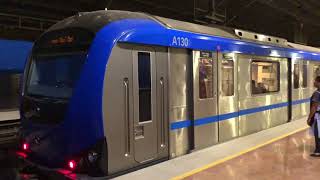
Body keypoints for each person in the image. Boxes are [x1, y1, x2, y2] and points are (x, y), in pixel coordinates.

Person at [307, 76, 320, 157]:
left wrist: (309, 118)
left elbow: (314, 107)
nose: (314, 82)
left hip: (318, 117)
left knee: (317, 133)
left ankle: (318, 151)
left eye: (315, 81)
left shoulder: (317, 94)